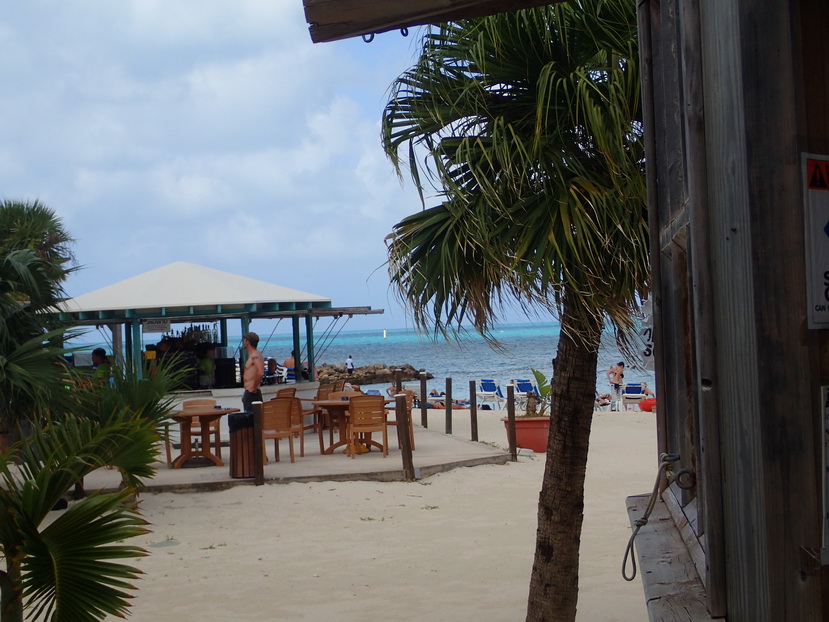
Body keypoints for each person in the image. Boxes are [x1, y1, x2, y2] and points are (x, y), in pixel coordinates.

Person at [241, 332, 264, 413]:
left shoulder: (255, 355)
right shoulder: (254, 355)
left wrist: (253, 388)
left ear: (248, 342)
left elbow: (260, 373)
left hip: (253, 393)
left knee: (252, 419)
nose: (244, 342)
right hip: (249, 392)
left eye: (245, 340)